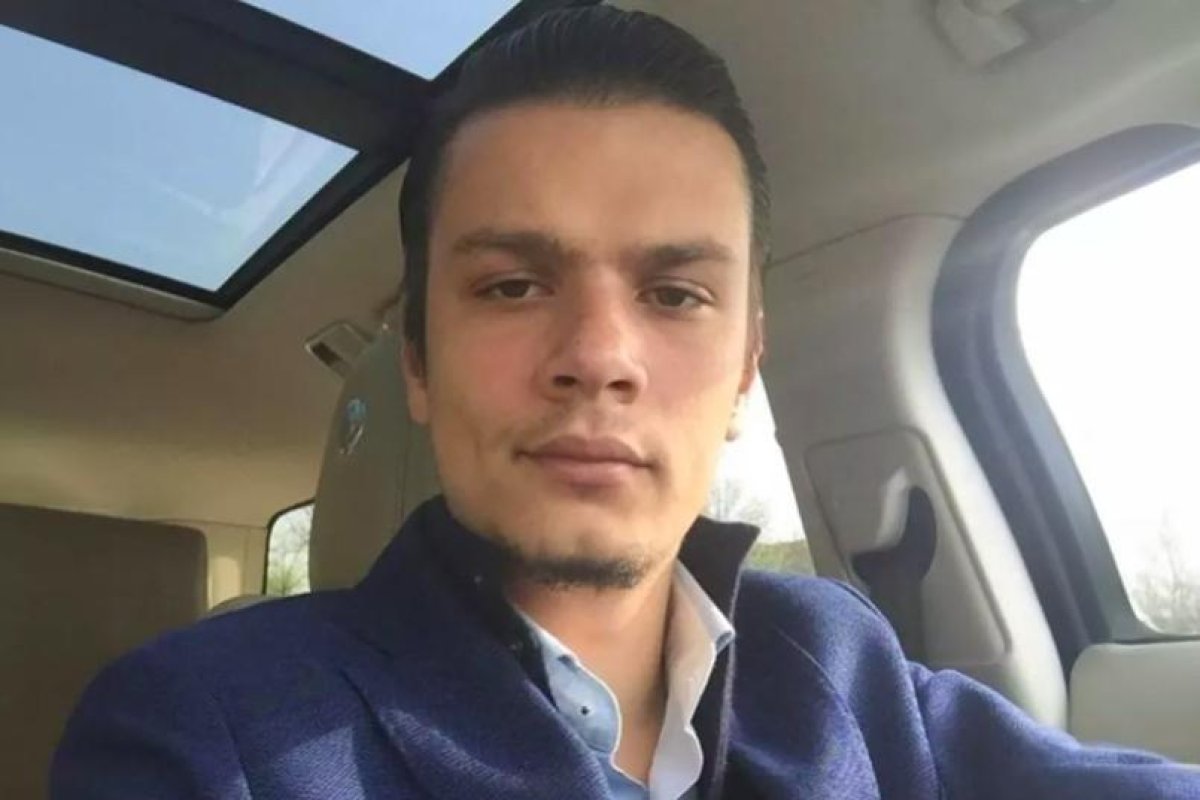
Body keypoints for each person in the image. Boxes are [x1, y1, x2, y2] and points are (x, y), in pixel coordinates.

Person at [51, 6, 1199, 799]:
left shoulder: (837, 656)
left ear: (745, 367)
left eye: (676, 293)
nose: (599, 355)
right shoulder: (203, 732)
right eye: (512, 285)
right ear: (418, 363)